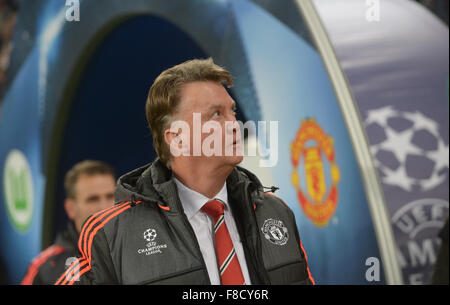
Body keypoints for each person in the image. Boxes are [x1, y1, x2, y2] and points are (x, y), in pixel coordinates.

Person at [57, 58, 314, 285]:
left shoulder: (276, 211)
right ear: (177, 138)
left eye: (232, 111)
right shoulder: (110, 234)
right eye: (216, 114)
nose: (235, 125)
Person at [21, 160, 116, 285]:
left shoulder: (140, 245)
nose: (104, 207)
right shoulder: (45, 267)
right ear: (71, 208)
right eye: (93, 199)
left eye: (110, 196)